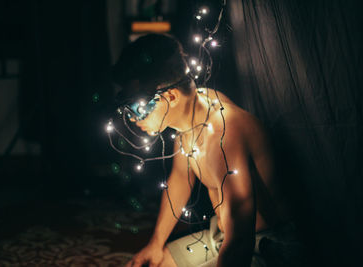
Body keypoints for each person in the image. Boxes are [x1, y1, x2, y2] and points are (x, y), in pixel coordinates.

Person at [111, 34, 297, 267]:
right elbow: (180, 180)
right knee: (157, 263)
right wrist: (156, 244)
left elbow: (241, 240)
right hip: (219, 236)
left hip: (265, 246)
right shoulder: (192, 116)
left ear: (170, 96)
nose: (131, 118)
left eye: (137, 108)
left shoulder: (224, 133)